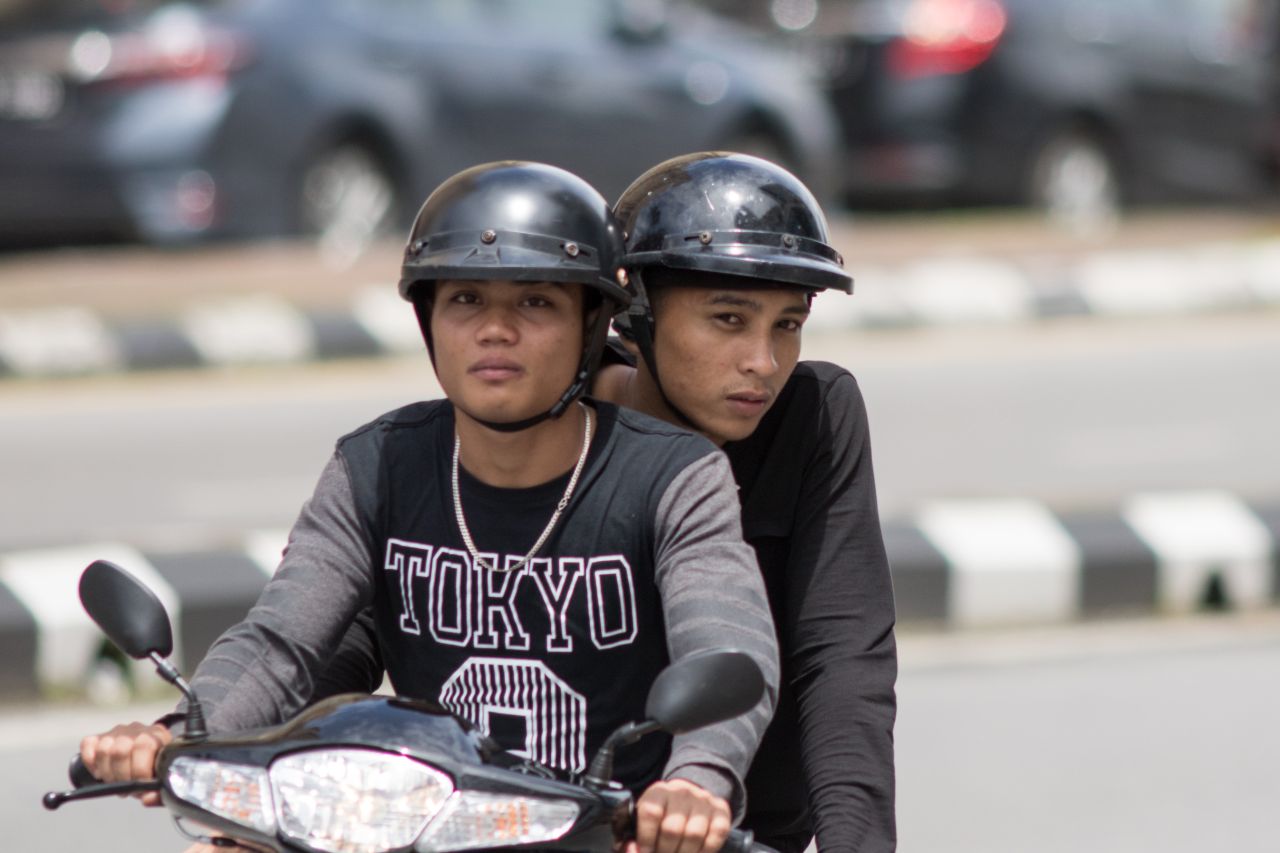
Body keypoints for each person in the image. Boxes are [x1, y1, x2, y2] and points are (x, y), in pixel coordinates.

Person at [79, 161, 780, 853]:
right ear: (429, 320)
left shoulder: (675, 476)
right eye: (466, 299)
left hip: (603, 836)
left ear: (590, 325)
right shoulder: (379, 462)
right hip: (414, 829)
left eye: (535, 303)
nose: (495, 330)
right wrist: (179, 730)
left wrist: (694, 783)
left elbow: (726, 641)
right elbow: (281, 638)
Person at [596, 153, 898, 853]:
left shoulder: (813, 416)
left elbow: (843, 658)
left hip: (748, 834)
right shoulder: (554, 422)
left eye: (787, 325)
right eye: (729, 318)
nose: (762, 361)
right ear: (635, 310)